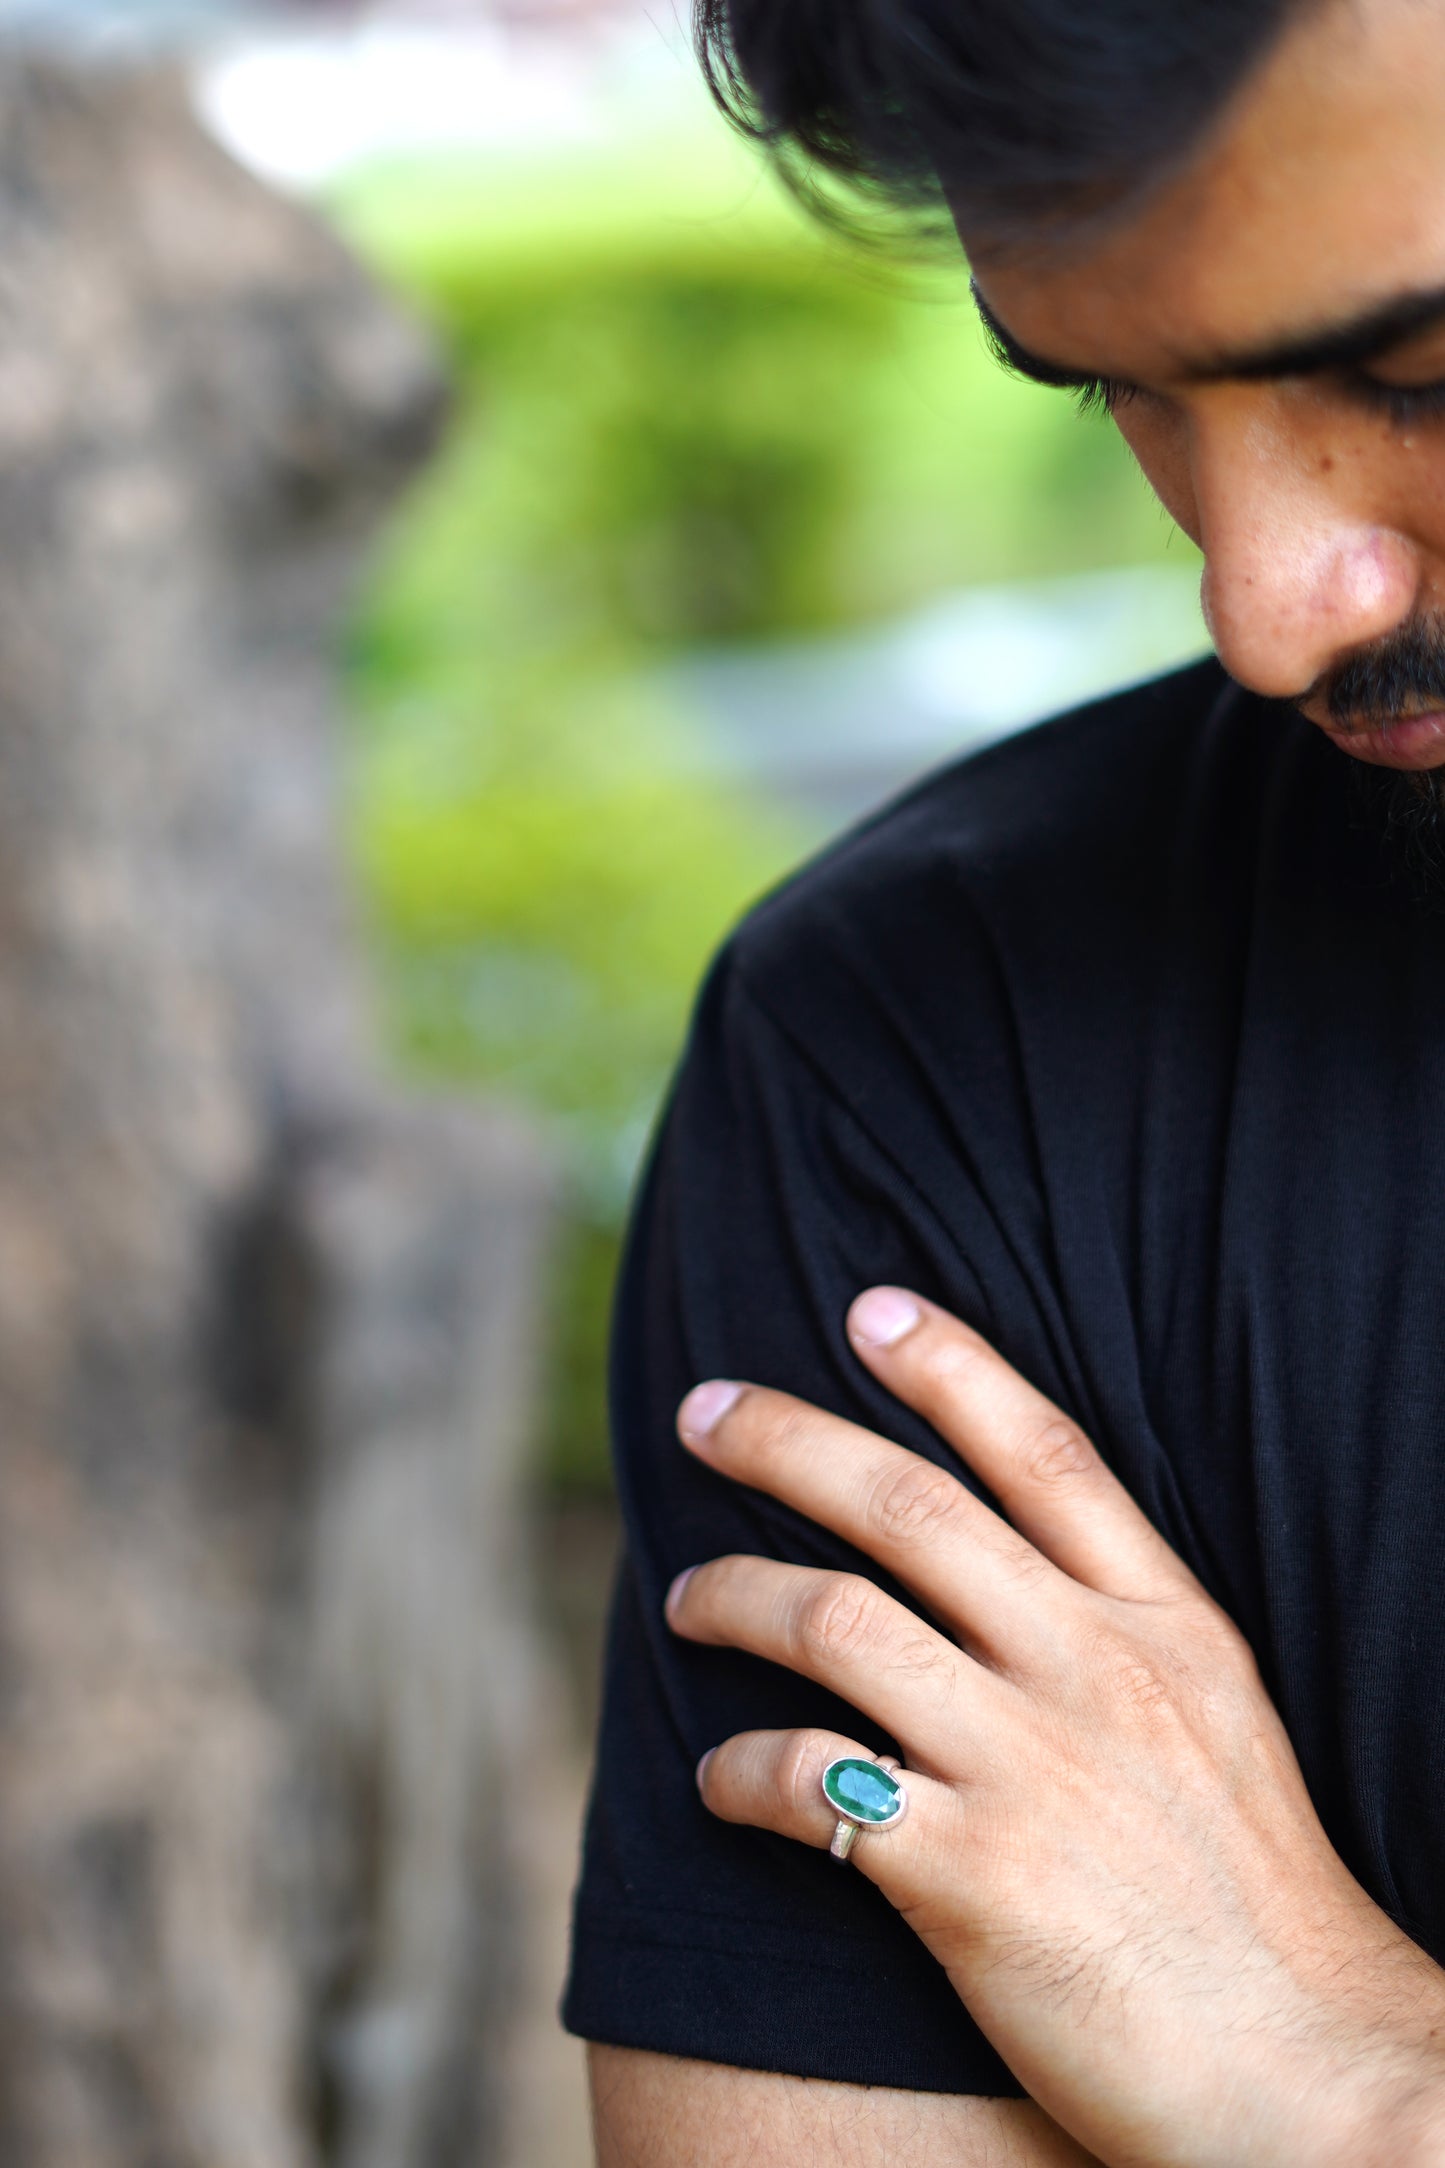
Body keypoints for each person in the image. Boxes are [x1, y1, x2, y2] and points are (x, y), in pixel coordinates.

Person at [564, 0, 1445, 2158]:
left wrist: (1352, 2090)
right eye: (1127, 394)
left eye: (1419, 379)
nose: (1269, 607)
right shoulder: (923, 1039)